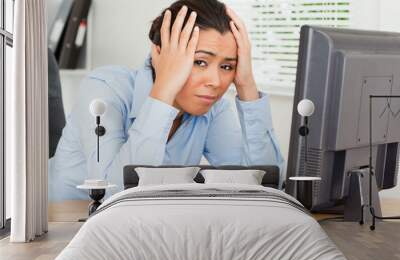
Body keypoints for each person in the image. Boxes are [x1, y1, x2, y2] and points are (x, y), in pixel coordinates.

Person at [49, 0, 286, 201]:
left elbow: (265, 189)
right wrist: (165, 89)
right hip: (62, 230)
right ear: (159, 52)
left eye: (227, 66)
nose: (215, 81)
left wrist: (247, 86)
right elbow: (115, 194)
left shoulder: (212, 109)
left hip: (141, 229)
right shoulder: (105, 88)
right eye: (200, 62)